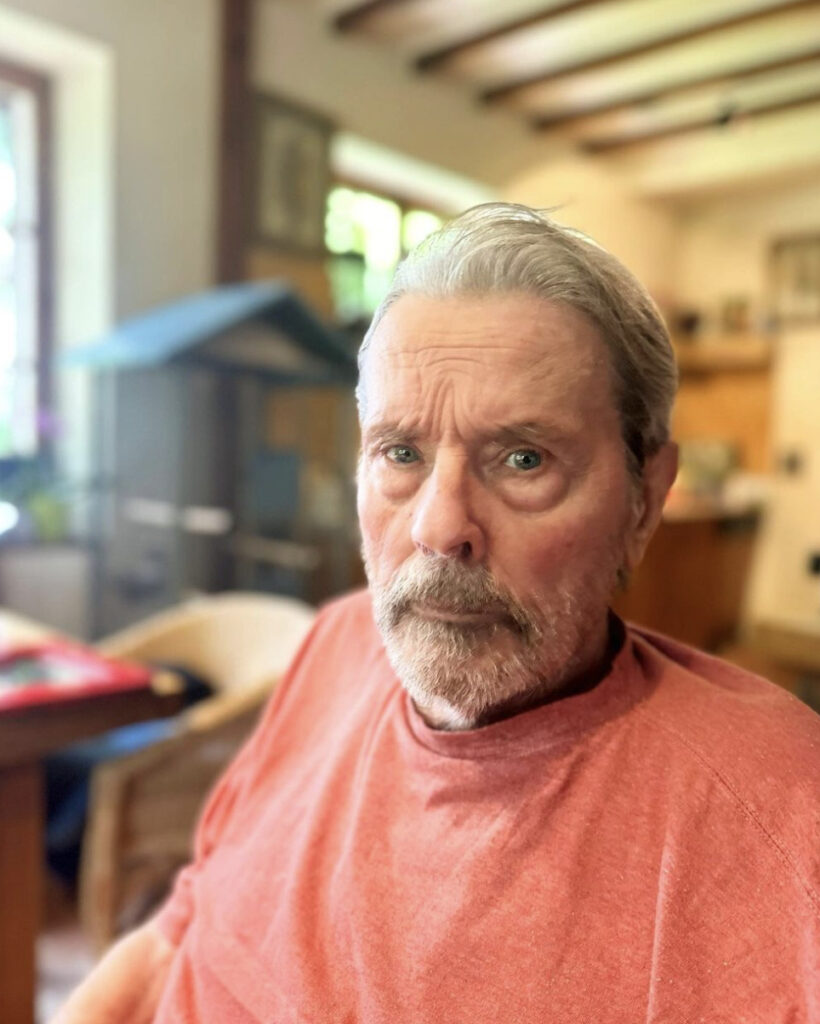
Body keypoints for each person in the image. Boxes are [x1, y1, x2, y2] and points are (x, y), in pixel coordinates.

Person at [55, 204, 820, 1023]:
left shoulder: (776, 817)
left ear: (645, 498)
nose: (439, 526)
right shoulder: (336, 642)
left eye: (523, 459)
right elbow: (175, 938)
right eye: (400, 452)